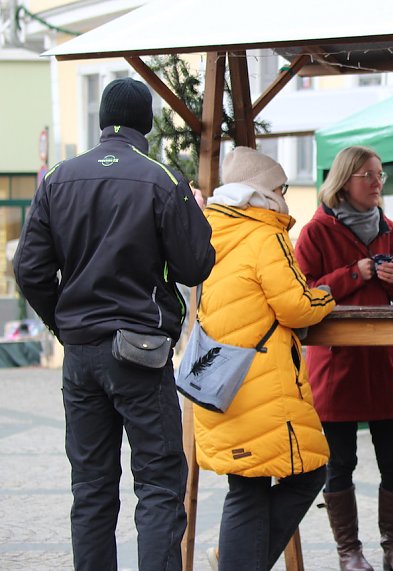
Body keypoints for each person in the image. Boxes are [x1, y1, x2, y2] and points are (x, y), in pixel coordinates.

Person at [13, 77, 215, 571]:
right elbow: (194, 266)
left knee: (91, 489)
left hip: (81, 354)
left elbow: (29, 269)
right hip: (141, 353)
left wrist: (63, 323)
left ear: (103, 120)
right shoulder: (161, 180)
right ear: (146, 123)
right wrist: (197, 215)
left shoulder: (58, 178)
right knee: (159, 486)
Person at [192, 146, 336, 570]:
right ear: (264, 192)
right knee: (306, 475)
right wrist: (324, 296)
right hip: (259, 378)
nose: (285, 195)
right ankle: (238, 563)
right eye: (280, 187)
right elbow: (295, 304)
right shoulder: (264, 233)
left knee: (247, 486)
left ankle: (238, 561)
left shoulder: (212, 229)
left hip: (222, 378)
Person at [294, 146, 393, 571]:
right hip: (336, 365)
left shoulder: (391, 231)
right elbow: (304, 292)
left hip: (382, 363)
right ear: (345, 180)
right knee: (340, 462)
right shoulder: (316, 232)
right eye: (368, 175)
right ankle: (349, 553)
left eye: (380, 175)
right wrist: (355, 274)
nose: (377, 183)